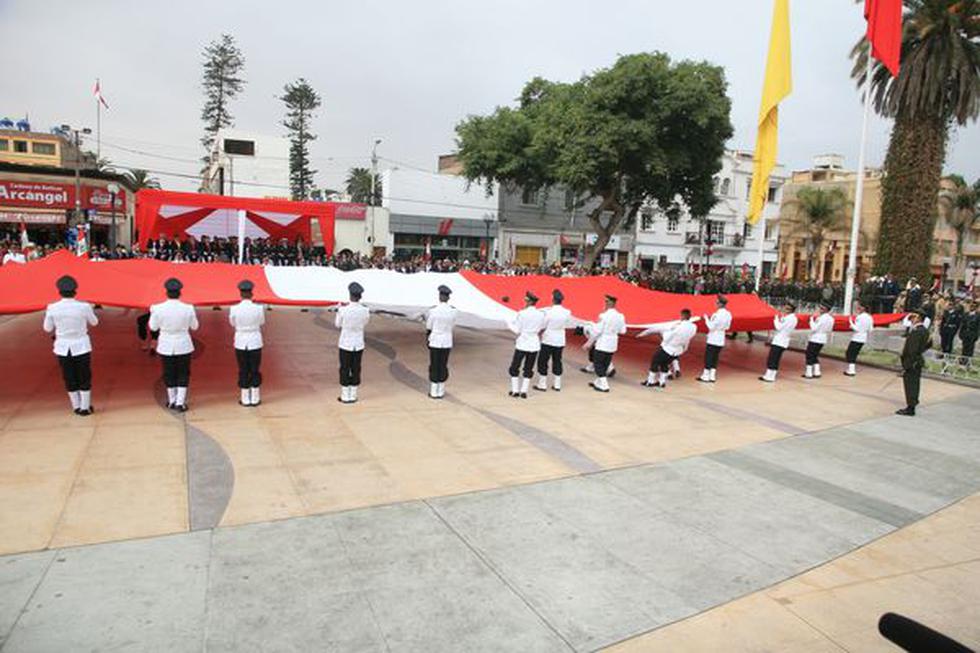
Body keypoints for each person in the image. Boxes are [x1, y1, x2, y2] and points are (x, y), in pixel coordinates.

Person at [42, 275, 98, 415]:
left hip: (62, 347)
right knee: (84, 375)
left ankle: (76, 406)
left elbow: (47, 328)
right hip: (82, 345)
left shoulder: (52, 307)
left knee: (69, 376)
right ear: (75, 291)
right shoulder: (84, 306)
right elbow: (94, 322)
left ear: (59, 291)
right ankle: (85, 407)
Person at [149, 278, 199, 411]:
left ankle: (172, 400)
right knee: (183, 373)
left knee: (168, 372)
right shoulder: (188, 308)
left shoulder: (157, 308)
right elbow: (194, 326)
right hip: (183, 343)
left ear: (166, 292)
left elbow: (153, 327)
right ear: (180, 292)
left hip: (166, 344)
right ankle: (180, 402)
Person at [639, 309, 698, 389]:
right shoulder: (694, 327)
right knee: (665, 363)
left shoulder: (679, 326)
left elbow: (669, 336)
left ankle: (650, 381)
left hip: (668, 347)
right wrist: (684, 349)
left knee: (655, 361)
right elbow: (688, 339)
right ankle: (661, 382)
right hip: (678, 350)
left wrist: (663, 338)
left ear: (683, 316)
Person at [229, 280, 265, 407]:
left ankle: (245, 398)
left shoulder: (234, 308)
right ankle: (255, 397)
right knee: (255, 369)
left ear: (240, 293)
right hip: (255, 340)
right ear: (251, 293)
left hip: (240, 341)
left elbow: (232, 323)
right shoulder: (259, 308)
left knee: (243, 369)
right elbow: (261, 322)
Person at [582, 294, 626, 392]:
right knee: (605, 362)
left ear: (609, 303)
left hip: (603, 342)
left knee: (598, 363)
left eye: (605, 301)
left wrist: (589, 343)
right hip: (613, 343)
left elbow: (597, 331)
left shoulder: (603, 316)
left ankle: (604, 385)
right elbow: (623, 331)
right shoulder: (621, 316)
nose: (604, 303)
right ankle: (598, 382)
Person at [336, 281, 370, 404]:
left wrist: (339, 310)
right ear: (360, 296)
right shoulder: (365, 310)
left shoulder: (343, 310)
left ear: (350, 295)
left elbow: (337, 324)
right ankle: (353, 394)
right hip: (358, 343)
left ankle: (345, 395)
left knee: (344, 368)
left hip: (345, 342)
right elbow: (365, 323)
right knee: (356, 368)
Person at [507, 291, 545, 398]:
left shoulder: (522, 313)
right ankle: (524, 391)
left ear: (528, 301)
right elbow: (541, 327)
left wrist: (508, 323)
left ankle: (515, 390)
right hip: (534, 344)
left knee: (515, 367)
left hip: (523, 343)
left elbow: (517, 330)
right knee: (528, 368)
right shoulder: (541, 314)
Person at [536, 289, 572, 392]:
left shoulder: (549, 312)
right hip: (560, 338)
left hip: (548, 338)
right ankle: (557, 384)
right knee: (557, 360)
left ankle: (542, 384)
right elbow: (568, 323)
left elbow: (543, 324)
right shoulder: (567, 312)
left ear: (553, 299)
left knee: (543, 361)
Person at [897, 311, 932, 416]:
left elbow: (912, 350)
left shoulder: (917, 331)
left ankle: (910, 407)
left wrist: (907, 364)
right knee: (914, 384)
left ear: (918, 318)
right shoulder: (924, 330)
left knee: (911, 385)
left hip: (912, 362)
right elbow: (929, 344)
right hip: (917, 361)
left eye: (913, 317)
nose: (911, 319)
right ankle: (912, 403)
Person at [425, 284, 457, 399]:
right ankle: (441, 391)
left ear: (440, 297)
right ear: (448, 298)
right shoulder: (453, 311)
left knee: (434, 364)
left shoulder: (433, 310)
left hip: (435, 340)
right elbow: (453, 325)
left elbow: (429, 325)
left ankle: (434, 392)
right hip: (447, 341)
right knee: (443, 364)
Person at [760, 302, 798, 382]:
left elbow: (778, 327)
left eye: (786, 308)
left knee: (772, 358)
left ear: (790, 310)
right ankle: (771, 375)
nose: (784, 309)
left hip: (779, 341)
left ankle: (769, 376)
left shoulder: (788, 318)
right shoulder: (793, 318)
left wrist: (776, 319)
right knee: (776, 359)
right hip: (783, 341)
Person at [698, 295, 732, 383]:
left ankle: (705, 376)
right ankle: (712, 376)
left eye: (717, 303)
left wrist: (706, 319)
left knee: (708, 357)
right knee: (715, 357)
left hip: (713, 338)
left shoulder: (716, 314)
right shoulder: (728, 314)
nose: (716, 304)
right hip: (721, 338)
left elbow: (711, 327)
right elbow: (728, 327)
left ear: (720, 304)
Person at [803, 302, 835, 379]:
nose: (819, 309)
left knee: (809, 355)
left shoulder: (822, 318)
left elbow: (814, 328)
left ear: (825, 309)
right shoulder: (831, 319)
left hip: (815, 338)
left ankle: (809, 373)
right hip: (823, 338)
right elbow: (830, 329)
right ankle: (817, 372)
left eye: (821, 308)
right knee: (815, 355)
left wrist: (811, 320)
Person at [844, 300, 874, 376]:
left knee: (850, 353)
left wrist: (851, 323)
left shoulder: (860, 317)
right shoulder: (870, 317)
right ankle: (851, 369)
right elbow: (870, 329)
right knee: (854, 353)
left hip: (857, 337)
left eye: (859, 307)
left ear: (863, 308)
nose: (858, 308)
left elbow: (856, 328)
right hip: (863, 338)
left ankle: (851, 370)